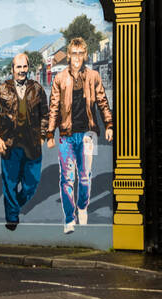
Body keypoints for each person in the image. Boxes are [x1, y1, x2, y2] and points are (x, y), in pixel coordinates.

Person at [45, 37, 113, 234]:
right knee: (66, 178)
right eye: (73, 53)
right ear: (68, 55)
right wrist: (50, 132)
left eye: (80, 53)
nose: (76, 58)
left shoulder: (93, 76)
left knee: (85, 177)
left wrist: (109, 124)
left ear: (85, 55)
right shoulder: (59, 79)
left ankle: (82, 207)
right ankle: (69, 218)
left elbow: (102, 101)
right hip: (66, 135)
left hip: (88, 135)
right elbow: (54, 108)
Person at [0, 53, 47, 231]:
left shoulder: (37, 88)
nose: (22, 71)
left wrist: (43, 134)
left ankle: (15, 205)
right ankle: (12, 218)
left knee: (32, 183)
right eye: (18, 67)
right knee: (10, 183)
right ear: (12, 69)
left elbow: (45, 114)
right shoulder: (2, 89)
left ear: (28, 68)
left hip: (32, 144)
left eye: (24, 67)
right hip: (10, 143)